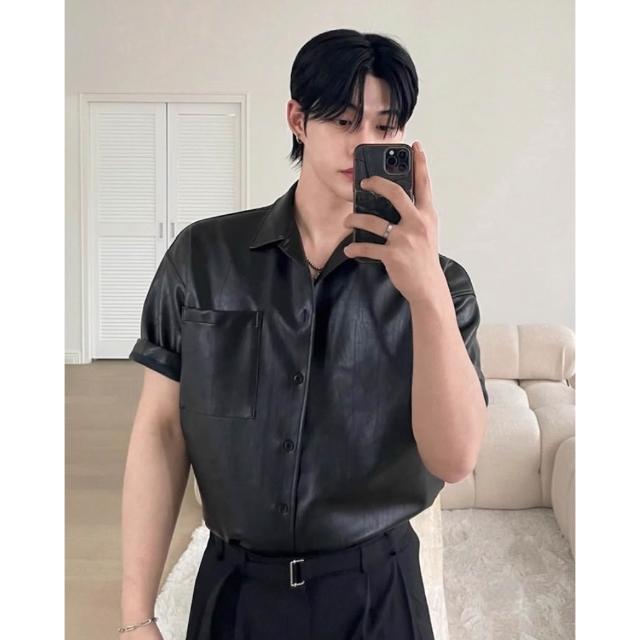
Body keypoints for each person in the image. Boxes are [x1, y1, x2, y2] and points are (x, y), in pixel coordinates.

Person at [120, 28, 489, 640]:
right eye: (344, 121)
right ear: (298, 119)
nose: (364, 142)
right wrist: (136, 618)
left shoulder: (442, 284)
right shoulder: (202, 258)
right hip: (235, 594)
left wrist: (425, 291)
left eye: (385, 126)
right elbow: (160, 431)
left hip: (378, 595)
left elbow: (454, 459)